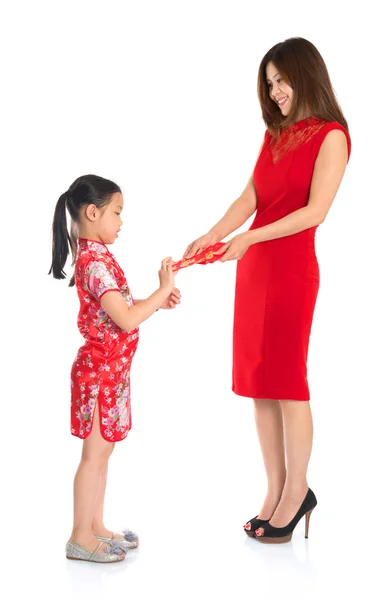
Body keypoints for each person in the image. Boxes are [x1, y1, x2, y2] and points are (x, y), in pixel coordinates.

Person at [183, 37, 351, 544]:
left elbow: (314, 211)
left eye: (282, 79)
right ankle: (276, 490)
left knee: (287, 381)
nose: (276, 91)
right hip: (254, 268)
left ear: (307, 74)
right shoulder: (276, 134)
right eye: (270, 81)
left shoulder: (332, 136)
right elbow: (252, 194)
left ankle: (298, 492)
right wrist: (215, 233)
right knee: (258, 383)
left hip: (291, 269)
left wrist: (248, 237)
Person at [49, 174, 181, 562]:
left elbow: (117, 310)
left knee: (103, 455)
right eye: (117, 212)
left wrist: (156, 301)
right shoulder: (93, 260)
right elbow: (124, 319)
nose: (121, 222)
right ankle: (79, 537)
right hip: (98, 374)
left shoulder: (99, 256)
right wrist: (159, 292)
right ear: (93, 212)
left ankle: (96, 527)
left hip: (112, 372)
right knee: (93, 457)